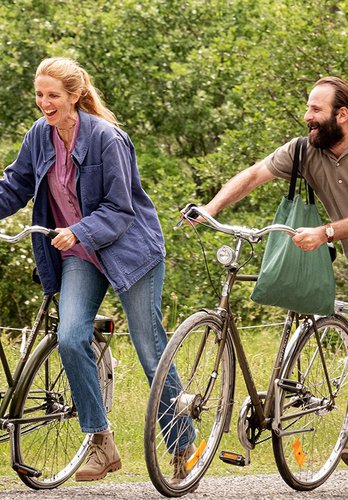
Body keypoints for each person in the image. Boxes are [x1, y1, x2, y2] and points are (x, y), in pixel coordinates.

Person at [0, 57, 195, 483]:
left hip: (131, 253)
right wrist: (74, 238)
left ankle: (182, 442)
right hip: (80, 255)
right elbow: (14, 186)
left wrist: (78, 230)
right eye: (39, 94)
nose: (44, 103)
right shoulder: (39, 136)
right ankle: (101, 440)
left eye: (53, 95)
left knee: (149, 349)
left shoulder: (107, 138)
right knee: (70, 337)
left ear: (74, 95)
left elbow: (121, 209)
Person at [200, 76, 348, 488]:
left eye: (315, 109)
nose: (307, 117)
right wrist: (211, 208)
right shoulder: (305, 150)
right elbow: (255, 174)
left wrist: (325, 233)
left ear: (341, 115)